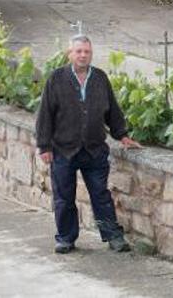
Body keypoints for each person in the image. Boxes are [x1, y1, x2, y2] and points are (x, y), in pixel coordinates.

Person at [36, 34, 141, 254]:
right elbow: (45, 114)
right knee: (64, 198)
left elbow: (112, 110)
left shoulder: (100, 78)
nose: (83, 55)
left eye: (87, 52)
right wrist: (44, 146)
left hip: (94, 150)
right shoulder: (56, 78)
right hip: (63, 150)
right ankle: (66, 238)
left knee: (101, 196)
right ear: (70, 54)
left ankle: (113, 236)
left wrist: (122, 135)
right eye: (79, 51)